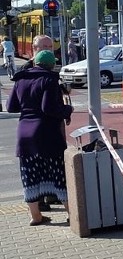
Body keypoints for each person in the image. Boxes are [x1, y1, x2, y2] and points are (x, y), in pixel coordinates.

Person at [7, 50, 74, 226]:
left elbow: (11, 107)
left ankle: (36, 216)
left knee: (30, 176)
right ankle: (72, 215)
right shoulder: (49, 79)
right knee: (58, 175)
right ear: (52, 65)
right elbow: (49, 109)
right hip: (47, 133)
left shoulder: (20, 79)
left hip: (24, 135)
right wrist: (67, 110)